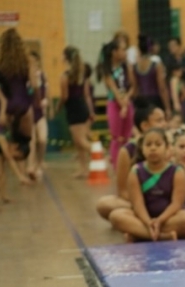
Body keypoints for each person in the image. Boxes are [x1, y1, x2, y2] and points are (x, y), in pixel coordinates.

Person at [108, 127, 185, 241]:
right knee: (116, 216)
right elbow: (137, 204)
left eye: (158, 144)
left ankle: (139, 234)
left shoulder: (177, 171)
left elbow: (177, 204)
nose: (153, 148)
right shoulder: (135, 171)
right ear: (142, 148)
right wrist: (148, 222)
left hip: (169, 218)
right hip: (143, 218)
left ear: (167, 148)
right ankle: (161, 236)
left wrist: (160, 220)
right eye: (148, 144)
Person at [96, 100, 167, 221]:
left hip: (164, 202)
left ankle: (142, 224)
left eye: (164, 120)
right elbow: (122, 191)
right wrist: (142, 204)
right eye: (159, 120)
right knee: (104, 204)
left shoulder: (169, 145)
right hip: (137, 202)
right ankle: (152, 223)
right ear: (145, 125)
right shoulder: (127, 151)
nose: (164, 124)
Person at [0, 65, 31, 196]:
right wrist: (20, 176)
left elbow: (3, 101)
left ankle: (2, 193)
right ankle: (0, 192)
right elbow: (3, 101)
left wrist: (1, 114)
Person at [56, 46, 94, 179]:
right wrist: (90, 111)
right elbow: (86, 95)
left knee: (80, 140)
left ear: (66, 58)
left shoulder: (65, 76)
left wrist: (58, 107)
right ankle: (83, 169)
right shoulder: (81, 75)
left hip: (73, 109)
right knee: (78, 143)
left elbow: (65, 96)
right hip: (82, 107)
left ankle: (99, 155)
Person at [0, 29, 38, 150]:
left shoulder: (0, 63)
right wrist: (33, 98)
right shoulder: (28, 60)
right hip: (23, 104)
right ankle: (29, 167)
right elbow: (34, 85)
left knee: (11, 142)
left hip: (7, 106)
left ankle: (13, 169)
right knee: (26, 141)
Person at [99, 38, 135, 169]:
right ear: (114, 52)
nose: (125, 52)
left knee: (127, 137)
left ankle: (127, 164)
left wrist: (126, 101)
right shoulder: (107, 69)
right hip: (115, 104)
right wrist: (122, 105)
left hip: (126, 103)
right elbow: (113, 89)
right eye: (123, 49)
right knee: (116, 138)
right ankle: (117, 167)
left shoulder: (127, 66)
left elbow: (132, 86)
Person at [133, 34, 171, 117]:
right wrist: (167, 108)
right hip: (154, 100)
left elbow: (135, 88)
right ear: (151, 48)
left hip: (141, 102)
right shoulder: (156, 65)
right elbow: (162, 88)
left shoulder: (135, 66)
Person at [27, 51, 49, 181]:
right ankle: (31, 165)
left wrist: (46, 101)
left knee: (42, 139)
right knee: (32, 141)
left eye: (34, 61)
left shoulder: (42, 76)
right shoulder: (24, 76)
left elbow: (46, 91)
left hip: (40, 112)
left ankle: (40, 161)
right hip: (29, 112)